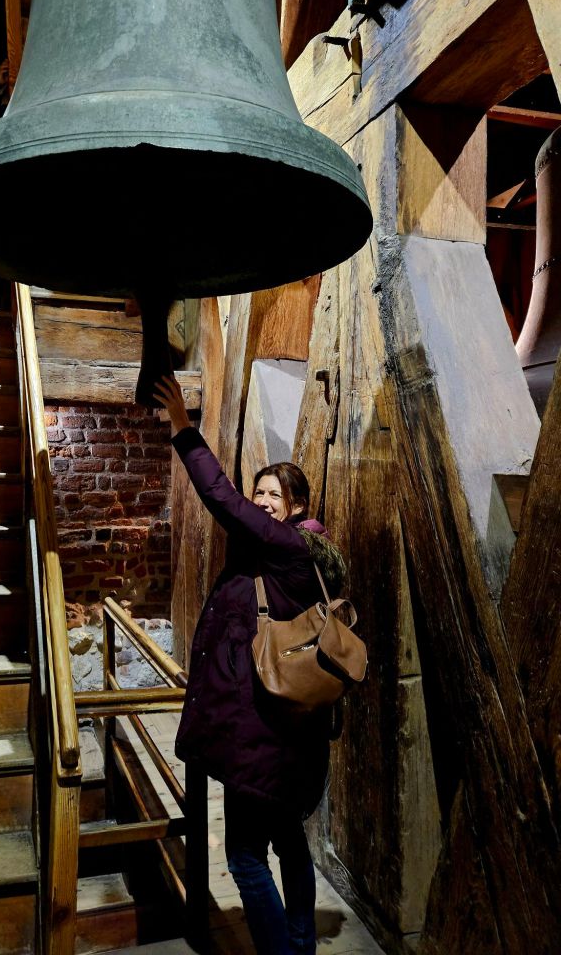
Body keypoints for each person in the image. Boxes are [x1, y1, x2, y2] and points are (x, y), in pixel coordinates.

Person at [152, 375, 346, 955]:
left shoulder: (289, 549)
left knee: (243, 857)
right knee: (288, 842)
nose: (260, 503)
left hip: (263, 739)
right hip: (281, 735)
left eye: (272, 497)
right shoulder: (276, 557)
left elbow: (221, 497)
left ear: (297, 508)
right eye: (257, 493)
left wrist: (183, 428)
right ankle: (301, 945)